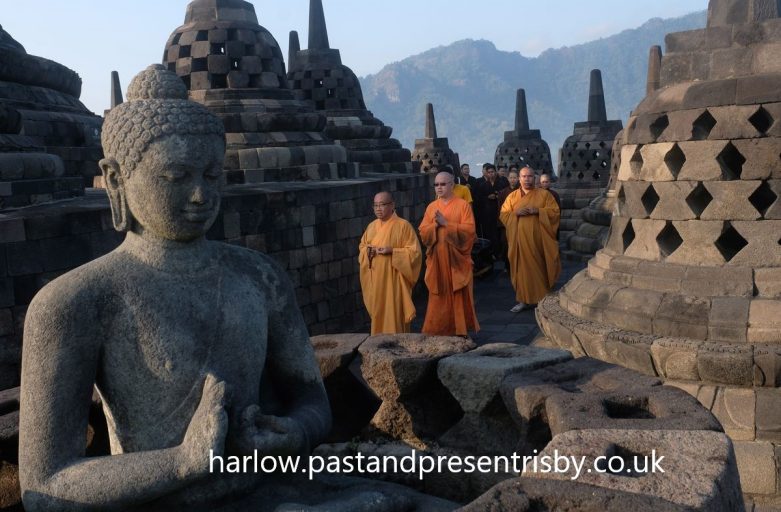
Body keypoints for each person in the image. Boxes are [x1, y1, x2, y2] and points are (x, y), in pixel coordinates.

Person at [18, 65, 331, 510]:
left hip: (273, 493)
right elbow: (44, 486)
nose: (201, 195)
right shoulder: (75, 302)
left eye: (212, 175)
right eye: (176, 176)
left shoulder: (260, 276)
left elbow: (313, 399)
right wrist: (183, 462)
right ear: (116, 179)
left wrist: (296, 431)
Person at [419, 172, 479, 336]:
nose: (439, 187)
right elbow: (423, 232)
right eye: (436, 184)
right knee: (438, 295)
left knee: (458, 294)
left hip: (456, 260)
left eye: (443, 184)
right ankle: (438, 330)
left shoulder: (463, 205)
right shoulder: (431, 207)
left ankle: (460, 330)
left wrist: (447, 224)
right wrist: (435, 226)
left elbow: (469, 231)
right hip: (438, 259)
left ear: (452, 185)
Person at [358, 192, 422, 335]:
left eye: (382, 205)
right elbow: (362, 247)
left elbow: (415, 253)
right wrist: (368, 251)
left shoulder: (403, 226)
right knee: (379, 314)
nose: (378, 209)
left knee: (394, 316)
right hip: (376, 282)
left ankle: (398, 345)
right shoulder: (371, 227)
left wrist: (393, 251)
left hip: (394, 283)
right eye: (375, 205)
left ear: (392, 205)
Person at [500, 166, 561, 313]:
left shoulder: (544, 195)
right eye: (524, 176)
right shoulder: (512, 197)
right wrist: (516, 213)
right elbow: (503, 215)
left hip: (539, 242)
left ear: (534, 178)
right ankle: (523, 300)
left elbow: (555, 213)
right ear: (519, 179)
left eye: (530, 176)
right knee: (522, 271)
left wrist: (538, 211)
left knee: (539, 268)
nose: (527, 179)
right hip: (519, 243)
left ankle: (543, 299)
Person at [473, 163, 510, 260]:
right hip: (488, 213)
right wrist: (487, 197)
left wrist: (498, 196)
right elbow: (478, 198)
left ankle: (502, 254)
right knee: (490, 234)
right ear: (486, 173)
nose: (491, 174)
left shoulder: (502, 183)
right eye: (489, 172)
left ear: (496, 172)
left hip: (500, 211)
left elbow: (507, 196)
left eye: (492, 172)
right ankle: (492, 253)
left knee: (500, 234)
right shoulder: (483, 185)